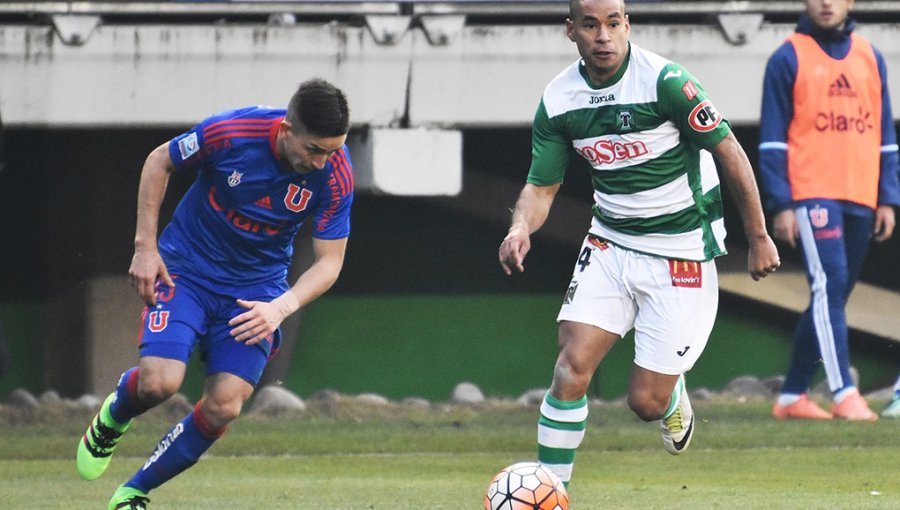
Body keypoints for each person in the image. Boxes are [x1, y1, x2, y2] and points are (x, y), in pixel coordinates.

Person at [498, 0, 780, 488]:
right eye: (591, 25)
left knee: (644, 403)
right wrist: (520, 227)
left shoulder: (665, 82)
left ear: (627, 24)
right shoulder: (559, 99)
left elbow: (730, 151)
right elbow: (542, 187)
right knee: (570, 367)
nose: (603, 36)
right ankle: (550, 493)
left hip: (681, 250)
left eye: (613, 24)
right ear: (572, 31)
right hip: (610, 243)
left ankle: (671, 399)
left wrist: (758, 237)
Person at [76, 78, 354, 509]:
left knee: (224, 405)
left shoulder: (335, 174)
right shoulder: (231, 133)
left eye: (333, 150)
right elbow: (158, 162)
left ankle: (134, 492)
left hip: (257, 291)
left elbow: (329, 262)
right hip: (186, 270)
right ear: (286, 130)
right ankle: (114, 416)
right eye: (314, 150)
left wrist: (279, 308)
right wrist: (145, 248)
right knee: (159, 384)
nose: (323, 162)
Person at [759, 0, 899, 421]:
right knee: (830, 283)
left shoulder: (870, 57)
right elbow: (772, 139)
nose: (825, 2)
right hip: (811, 194)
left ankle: (791, 397)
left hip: (860, 193)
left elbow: (884, 131)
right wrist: (781, 202)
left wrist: (888, 196)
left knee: (832, 292)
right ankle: (844, 392)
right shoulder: (787, 56)